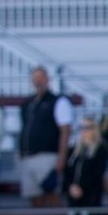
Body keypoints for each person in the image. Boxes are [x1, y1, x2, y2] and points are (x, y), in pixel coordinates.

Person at [16, 67, 71, 203]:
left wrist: (61, 159)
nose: (38, 81)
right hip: (28, 157)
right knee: (34, 199)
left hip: (48, 157)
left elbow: (65, 131)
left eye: (41, 77)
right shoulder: (28, 104)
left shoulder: (58, 102)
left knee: (52, 196)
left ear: (48, 80)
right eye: (35, 78)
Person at [61, 116, 108, 208]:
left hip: (91, 194)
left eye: (88, 127)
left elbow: (97, 172)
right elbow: (67, 171)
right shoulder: (73, 150)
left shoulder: (101, 149)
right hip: (73, 195)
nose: (84, 131)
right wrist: (70, 187)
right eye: (82, 128)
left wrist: (82, 187)